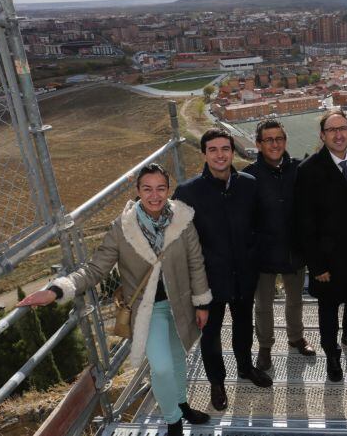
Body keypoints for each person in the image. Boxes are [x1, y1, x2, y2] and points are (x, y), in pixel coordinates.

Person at [19, 164, 212, 436]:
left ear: (168, 190)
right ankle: (173, 421)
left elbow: (196, 263)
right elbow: (95, 269)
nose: (154, 195)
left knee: (178, 358)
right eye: (147, 189)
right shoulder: (123, 229)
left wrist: (202, 303)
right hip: (150, 310)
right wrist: (57, 289)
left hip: (181, 305)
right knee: (161, 366)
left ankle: (182, 404)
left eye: (160, 188)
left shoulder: (183, 219)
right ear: (137, 191)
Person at [173, 128, 271, 413]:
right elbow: (181, 242)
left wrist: (253, 255)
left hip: (244, 273)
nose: (220, 154)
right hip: (208, 280)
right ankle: (217, 382)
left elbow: (260, 225)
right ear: (204, 154)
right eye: (213, 149)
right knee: (211, 333)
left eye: (225, 149)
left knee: (243, 324)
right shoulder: (187, 192)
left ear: (232, 151)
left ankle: (245, 367)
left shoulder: (249, 184)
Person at [293, 109, 347, 382]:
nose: (339, 134)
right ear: (322, 135)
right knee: (328, 309)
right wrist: (316, 265)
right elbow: (304, 222)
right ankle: (332, 354)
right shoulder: (308, 170)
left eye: (343, 128)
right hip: (327, 259)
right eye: (332, 130)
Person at [244, 119, 316, 372]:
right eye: (268, 139)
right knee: (263, 305)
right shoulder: (248, 175)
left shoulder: (300, 168)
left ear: (285, 141)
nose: (274, 144)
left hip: (294, 248)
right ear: (259, 144)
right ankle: (265, 347)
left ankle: (296, 338)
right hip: (262, 253)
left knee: (295, 300)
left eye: (279, 139)